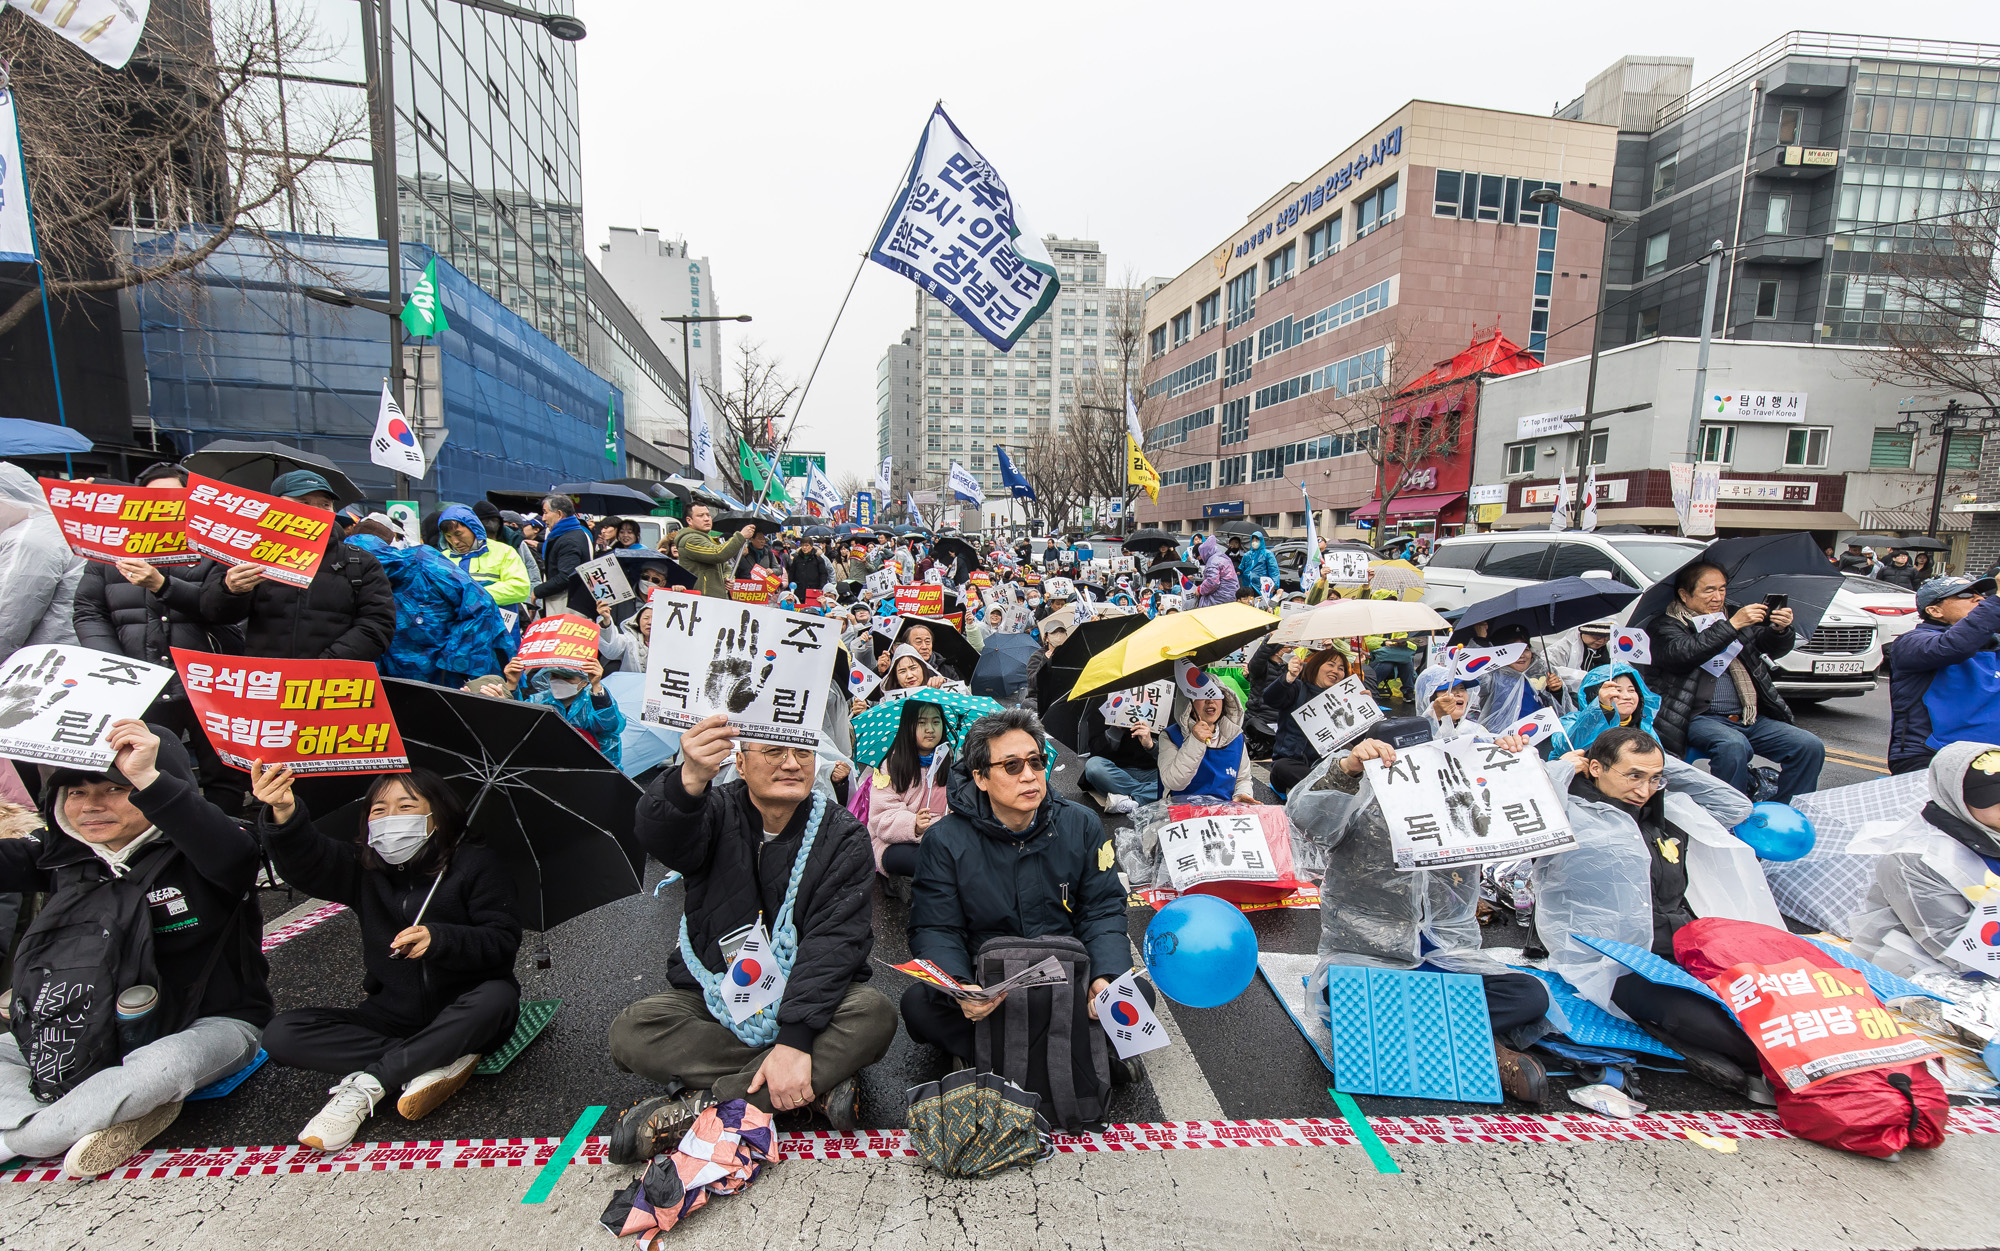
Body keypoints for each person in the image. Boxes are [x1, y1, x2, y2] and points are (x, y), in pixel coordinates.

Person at [604, 714, 897, 1162]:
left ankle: (704, 1107)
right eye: (774, 751)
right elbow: (661, 834)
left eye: (801, 752)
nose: (791, 764)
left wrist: (796, 1038)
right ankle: (804, 1083)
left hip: (811, 1003)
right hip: (719, 994)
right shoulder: (713, 810)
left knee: (873, 1015)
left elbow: (835, 944)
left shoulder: (842, 834)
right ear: (739, 762)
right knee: (632, 1031)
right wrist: (689, 779)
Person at [0, 721, 269, 1177]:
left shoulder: (214, 843)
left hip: (204, 1027)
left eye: (114, 788)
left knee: (158, 1071)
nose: (91, 806)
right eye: (76, 792)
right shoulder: (63, 855)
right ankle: (106, 1115)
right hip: (83, 1033)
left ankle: (29, 1134)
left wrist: (147, 775)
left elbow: (229, 850)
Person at [252, 764, 520, 1151]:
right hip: (392, 1015)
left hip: (466, 1009)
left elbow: (502, 940)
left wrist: (441, 938)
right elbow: (308, 860)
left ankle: (369, 1085)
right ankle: (432, 1059)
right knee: (281, 1034)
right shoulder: (363, 868)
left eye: (406, 806)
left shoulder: (476, 865)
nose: (390, 818)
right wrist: (284, 812)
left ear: (437, 815)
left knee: (497, 997)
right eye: (379, 809)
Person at [1287, 728, 1553, 1102]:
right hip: (1372, 961)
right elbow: (1308, 820)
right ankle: (1487, 1051)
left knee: (1529, 995)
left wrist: (1510, 763)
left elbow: (1532, 818)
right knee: (1346, 998)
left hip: (1447, 961)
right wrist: (1348, 769)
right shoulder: (1359, 797)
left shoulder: (1459, 797)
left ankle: (1421, 1033)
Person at [902, 708, 1145, 1075]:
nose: (1030, 775)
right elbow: (937, 928)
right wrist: (961, 985)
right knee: (920, 1006)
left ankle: (993, 1054)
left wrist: (1104, 977)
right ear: (980, 777)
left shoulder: (1081, 825)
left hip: (1067, 980)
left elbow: (1101, 909)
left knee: (1138, 995)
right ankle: (1081, 1051)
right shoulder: (944, 840)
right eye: (1012, 766)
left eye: (1036, 761)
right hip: (989, 983)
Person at [1531, 727, 1766, 1100]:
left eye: (1654, 779)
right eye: (1633, 777)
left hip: (1686, 943)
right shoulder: (1567, 815)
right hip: (1614, 959)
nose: (1643, 790)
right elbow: (1524, 807)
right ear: (1595, 767)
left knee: (1766, 997)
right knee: (1715, 1025)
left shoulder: (1664, 810)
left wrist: (1656, 761)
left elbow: (1734, 807)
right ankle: (1769, 1064)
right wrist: (1561, 768)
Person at [72, 462, 241, 810]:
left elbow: (221, 610)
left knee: (224, 772)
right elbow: (89, 611)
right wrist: (116, 663)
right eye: (153, 498)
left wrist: (162, 586)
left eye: (173, 497)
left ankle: (230, 839)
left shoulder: (214, 546)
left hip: (208, 680)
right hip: (141, 681)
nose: (163, 504)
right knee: (150, 772)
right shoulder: (110, 551)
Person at [1649, 561, 1821, 802]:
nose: (1717, 597)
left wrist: (1780, 630)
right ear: (1685, 595)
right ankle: (1731, 815)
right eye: (1708, 590)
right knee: (1732, 746)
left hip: (1746, 714)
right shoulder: (1666, 625)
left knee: (1808, 745)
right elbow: (1683, 653)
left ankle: (1789, 810)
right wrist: (1732, 625)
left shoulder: (1735, 616)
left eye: (1722, 589)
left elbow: (1766, 646)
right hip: (1696, 717)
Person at [199, 470, 395, 663]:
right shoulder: (248, 554)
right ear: (275, 506)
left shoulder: (360, 561)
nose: (315, 510)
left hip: (332, 682)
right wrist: (230, 590)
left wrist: (327, 664)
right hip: (266, 679)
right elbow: (215, 614)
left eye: (324, 505)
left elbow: (377, 625)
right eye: (304, 502)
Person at [1849, 741, 2000, 978]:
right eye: (1994, 797)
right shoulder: (1915, 858)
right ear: (1957, 796)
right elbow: (1954, 943)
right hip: (1926, 967)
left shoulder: (1991, 829)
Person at [344, 516, 510, 686]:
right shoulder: (351, 582)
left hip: (449, 677)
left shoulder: (423, 562)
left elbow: (480, 605)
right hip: (401, 680)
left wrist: (453, 662)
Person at [1886, 575, 2000, 775]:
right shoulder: (1911, 643)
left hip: (1990, 758)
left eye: (1981, 594)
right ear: (1934, 610)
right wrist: (1996, 603)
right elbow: (1956, 646)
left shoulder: (1992, 643)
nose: (1980, 599)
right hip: (1932, 756)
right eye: (1965, 594)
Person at [0, 462, 83, 656]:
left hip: (44, 661)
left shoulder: (27, 538)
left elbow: (7, 620)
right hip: (70, 654)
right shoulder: (58, 525)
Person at [867, 700, 953, 878]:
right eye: (921, 723)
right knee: (930, 861)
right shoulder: (891, 765)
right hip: (896, 843)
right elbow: (882, 817)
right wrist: (914, 824)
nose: (930, 729)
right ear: (908, 726)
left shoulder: (951, 763)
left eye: (936, 722)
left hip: (944, 838)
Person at [505, 655, 625, 769]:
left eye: (567, 678)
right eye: (554, 676)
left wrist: (597, 686)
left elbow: (609, 725)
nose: (559, 681)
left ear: (584, 681)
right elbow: (518, 722)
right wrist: (512, 684)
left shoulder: (595, 699)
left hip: (591, 770)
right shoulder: (540, 700)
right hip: (548, 766)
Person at [1264, 645, 1353, 794]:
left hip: (1327, 768)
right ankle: (1327, 790)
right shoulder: (1297, 688)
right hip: (1292, 765)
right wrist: (1288, 678)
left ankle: (1325, 789)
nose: (1335, 671)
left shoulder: (1343, 699)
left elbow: (1365, 737)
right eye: (1330, 665)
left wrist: (1365, 704)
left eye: (1341, 668)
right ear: (1316, 666)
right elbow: (1271, 699)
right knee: (1282, 767)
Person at [438, 504, 533, 634]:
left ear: (473, 528)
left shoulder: (503, 552)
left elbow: (520, 588)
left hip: (499, 633)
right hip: (458, 634)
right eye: (448, 536)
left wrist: (475, 596)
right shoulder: (441, 559)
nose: (455, 541)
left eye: (458, 534)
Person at [1156, 686, 1257, 803]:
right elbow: (1174, 782)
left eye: (1216, 694)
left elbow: (1243, 778)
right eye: (1201, 695)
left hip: (1223, 813)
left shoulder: (1235, 735)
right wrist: (1196, 741)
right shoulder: (1170, 735)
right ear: (1188, 704)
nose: (1210, 700)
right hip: (1181, 812)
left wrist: (1242, 793)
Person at [1473, 625, 1571, 732]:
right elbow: (1479, 677)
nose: (1522, 655)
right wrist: (1481, 640)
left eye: (1526, 649)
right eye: (1515, 651)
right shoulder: (1493, 676)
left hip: (1542, 734)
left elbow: (1562, 712)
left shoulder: (1540, 671)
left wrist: (1556, 691)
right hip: (1505, 740)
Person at [1080, 689, 1162, 814]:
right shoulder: (1104, 697)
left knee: (1179, 777)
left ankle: (1131, 800)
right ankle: (1145, 796)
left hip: (1153, 771)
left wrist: (1151, 745)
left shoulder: (1162, 696)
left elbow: (1172, 756)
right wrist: (1115, 729)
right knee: (1093, 766)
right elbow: (1095, 750)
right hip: (1118, 771)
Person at [1559, 662, 1658, 751]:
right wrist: (1602, 709)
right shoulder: (1570, 721)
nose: (1627, 696)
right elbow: (1569, 746)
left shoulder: (1644, 727)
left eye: (1631, 690)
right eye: (1617, 691)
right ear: (1595, 695)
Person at [530, 494, 596, 617]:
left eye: (545, 512)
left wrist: (537, 591)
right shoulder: (578, 532)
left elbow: (566, 576)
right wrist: (539, 546)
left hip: (567, 609)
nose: (543, 518)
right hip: (575, 605)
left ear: (559, 514)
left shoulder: (568, 540)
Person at [676, 504, 754, 600]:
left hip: (714, 602)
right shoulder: (689, 540)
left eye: (708, 515)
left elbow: (726, 567)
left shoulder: (707, 539)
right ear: (689, 520)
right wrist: (741, 536)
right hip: (700, 602)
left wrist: (726, 578)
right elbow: (718, 554)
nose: (706, 519)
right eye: (700, 516)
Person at [1544, 619, 1614, 690]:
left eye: (1606, 637)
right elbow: (1547, 669)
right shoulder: (1562, 648)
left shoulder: (1611, 649)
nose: (1601, 641)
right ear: (1583, 632)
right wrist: (1582, 676)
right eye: (1597, 637)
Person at [1417, 668, 1476, 742]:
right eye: (1450, 689)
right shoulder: (1413, 732)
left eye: (1462, 688)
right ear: (1430, 697)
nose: (1459, 694)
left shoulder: (1474, 730)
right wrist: (1434, 715)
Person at [597, 598, 653, 675]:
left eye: (655, 618)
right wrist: (606, 621)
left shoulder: (671, 644)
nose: (650, 622)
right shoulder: (630, 641)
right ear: (638, 621)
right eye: (646, 618)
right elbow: (611, 649)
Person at [1192, 536, 1238, 608]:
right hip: (1230, 594)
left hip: (1221, 596)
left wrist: (1200, 589)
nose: (1199, 559)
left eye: (1198, 557)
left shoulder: (1212, 561)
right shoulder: (1221, 556)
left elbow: (1212, 582)